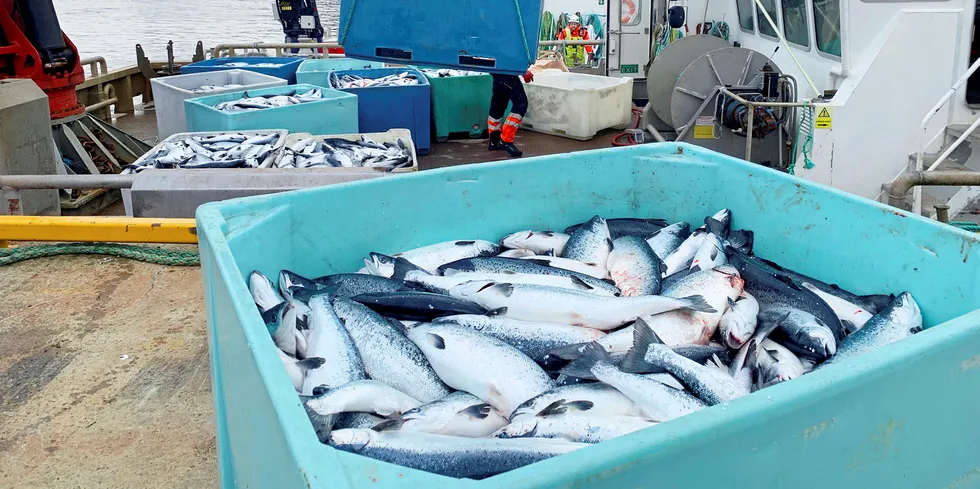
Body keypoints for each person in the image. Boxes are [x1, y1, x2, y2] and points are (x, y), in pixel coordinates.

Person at [487, 70, 534, 158]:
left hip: (497, 72)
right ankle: (506, 140)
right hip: (508, 74)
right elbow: (513, 56)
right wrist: (523, 70)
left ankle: (494, 141)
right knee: (521, 104)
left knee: (499, 104)